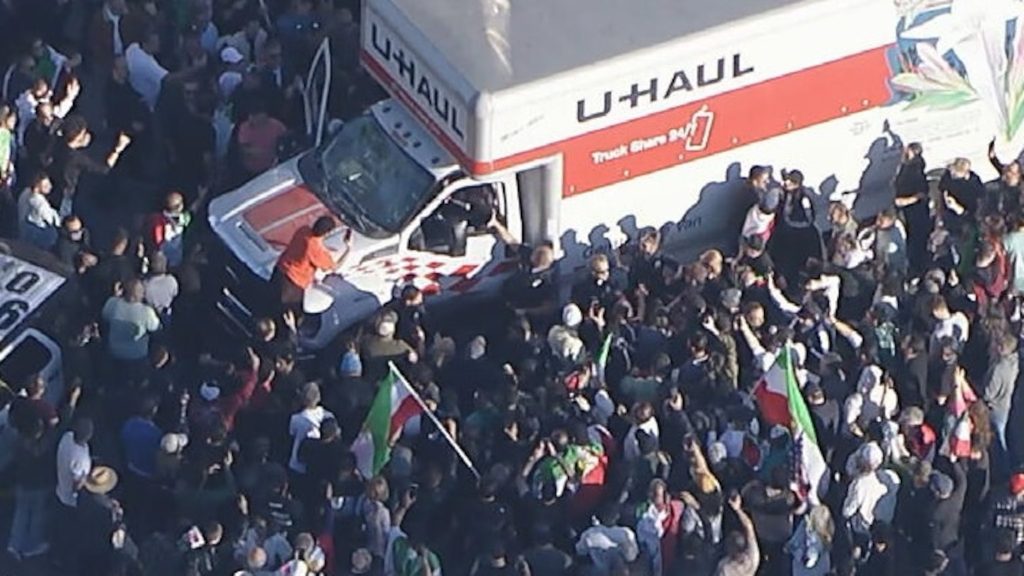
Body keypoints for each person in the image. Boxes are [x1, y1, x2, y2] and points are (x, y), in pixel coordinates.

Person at [273, 215, 351, 312]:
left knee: (270, 301)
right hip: (293, 284)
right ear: (327, 233)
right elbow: (335, 267)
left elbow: (310, 245)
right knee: (289, 313)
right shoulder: (316, 251)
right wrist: (348, 249)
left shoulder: (303, 231)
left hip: (280, 271)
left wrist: (324, 249)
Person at [102, 277, 161, 365]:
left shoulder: (112, 303)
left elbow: (105, 317)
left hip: (114, 353)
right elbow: (155, 328)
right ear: (141, 294)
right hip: (137, 355)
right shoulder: (146, 311)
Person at [16, 171, 61, 249]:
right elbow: (49, 219)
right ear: (37, 187)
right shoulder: (38, 201)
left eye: (49, 183)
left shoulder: (25, 192)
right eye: (45, 185)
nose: (49, 187)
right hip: (36, 231)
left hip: (23, 226)